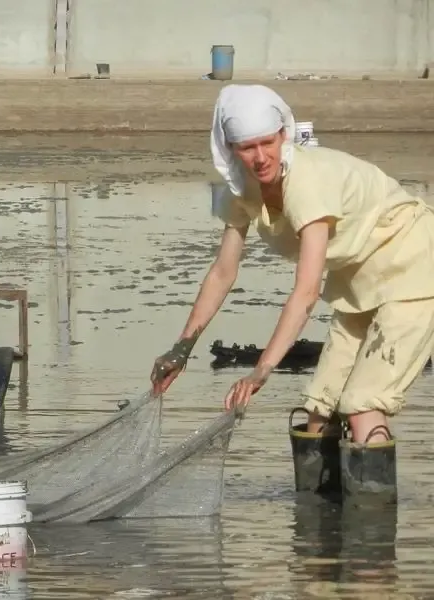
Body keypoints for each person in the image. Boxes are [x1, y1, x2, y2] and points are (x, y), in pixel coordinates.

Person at [150, 84, 434, 503]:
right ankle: (318, 533)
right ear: (229, 148)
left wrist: (261, 370)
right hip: (358, 280)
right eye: (247, 147)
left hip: (413, 265)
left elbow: (305, 293)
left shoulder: (307, 182)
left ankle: (370, 537)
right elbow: (223, 272)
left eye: (267, 143)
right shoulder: (241, 190)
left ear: (283, 135)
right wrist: (182, 349)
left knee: (361, 404)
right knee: (318, 410)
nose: (260, 157)